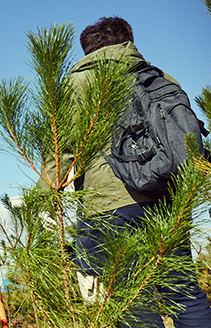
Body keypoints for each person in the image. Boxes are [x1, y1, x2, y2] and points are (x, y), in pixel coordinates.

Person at [64, 16, 211, 327]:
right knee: (182, 290)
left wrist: (49, 192)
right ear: (128, 41)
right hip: (166, 197)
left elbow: (61, 147)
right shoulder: (160, 77)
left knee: (133, 298)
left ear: (88, 50)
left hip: (108, 204)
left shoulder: (78, 81)